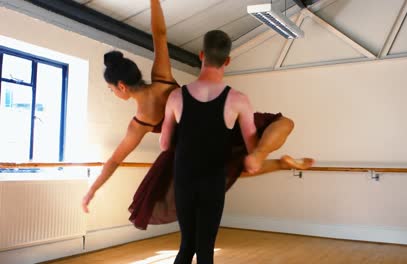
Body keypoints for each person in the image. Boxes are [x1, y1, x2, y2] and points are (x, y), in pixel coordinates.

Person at [81, 0, 314, 228]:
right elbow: (159, 34)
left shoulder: (140, 122)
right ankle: (265, 154)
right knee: (282, 123)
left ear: (122, 86)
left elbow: (114, 161)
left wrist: (92, 189)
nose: (112, 93)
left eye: (111, 89)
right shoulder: (161, 77)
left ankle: (278, 164)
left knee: (231, 170)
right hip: (219, 121)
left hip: (193, 148)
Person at [159, 30, 258, 263]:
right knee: (205, 249)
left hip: (184, 179)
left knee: (187, 245)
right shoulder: (238, 100)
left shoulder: (176, 96)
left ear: (201, 55)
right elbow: (253, 147)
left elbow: (164, 144)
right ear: (228, 60)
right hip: (213, 180)